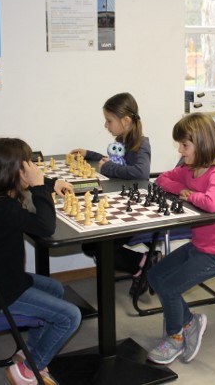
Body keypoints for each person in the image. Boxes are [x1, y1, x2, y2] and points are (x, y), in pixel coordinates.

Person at [0, 138, 81, 385]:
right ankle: (29, 370)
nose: (31, 168)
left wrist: (50, 183)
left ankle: (29, 352)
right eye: (26, 164)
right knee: (71, 316)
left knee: (55, 288)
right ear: (13, 173)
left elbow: (30, 190)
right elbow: (45, 227)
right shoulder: (3, 208)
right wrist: (39, 186)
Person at [146, 113, 215, 365]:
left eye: (184, 145)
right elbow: (162, 179)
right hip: (199, 246)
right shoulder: (189, 170)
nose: (180, 150)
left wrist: (190, 195)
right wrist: (182, 189)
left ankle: (175, 338)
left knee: (169, 287)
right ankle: (189, 322)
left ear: (202, 144)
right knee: (154, 276)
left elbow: (213, 203)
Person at [70, 92, 154, 297]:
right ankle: (143, 262)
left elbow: (140, 173)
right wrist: (90, 154)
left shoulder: (142, 144)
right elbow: (115, 162)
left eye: (109, 120)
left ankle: (142, 263)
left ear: (125, 121)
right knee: (90, 245)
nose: (106, 125)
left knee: (97, 247)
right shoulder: (122, 141)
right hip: (122, 204)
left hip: (135, 212)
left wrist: (107, 169)